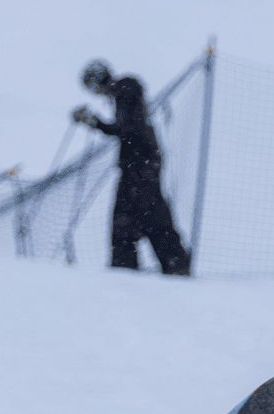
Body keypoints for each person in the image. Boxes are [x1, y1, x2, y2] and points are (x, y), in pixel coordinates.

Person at [73, 59, 191, 275]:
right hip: (143, 163)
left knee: (134, 217)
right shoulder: (125, 93)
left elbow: (126, 129)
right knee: (149, 214)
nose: (96, 93)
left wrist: (95, 123)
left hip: (139, 165)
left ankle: (129, 266)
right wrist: (95, 122)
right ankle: (173, 262)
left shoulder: (124, 91)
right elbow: (125, 128)